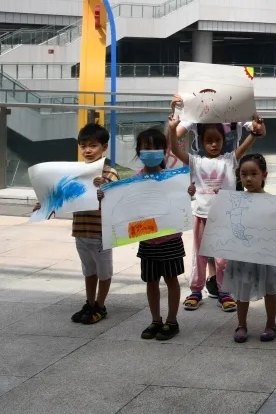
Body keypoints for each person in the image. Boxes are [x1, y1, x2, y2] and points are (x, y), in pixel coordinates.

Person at [168, 113, 263, 312]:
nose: (213, 144)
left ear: (223, 140)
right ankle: (196, 291)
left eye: (217, 140)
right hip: (201, 216)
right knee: (200, 256)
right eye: (209, 141)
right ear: (201, 142)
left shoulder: (230, 160)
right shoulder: (195, 161)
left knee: (223, 259)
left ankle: (224, 292)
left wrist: (254, 132)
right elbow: (175, 149)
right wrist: (172, 128)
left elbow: (246, 145)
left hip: (224, 217)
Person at [35, 124, 120, 325]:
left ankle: (100, 306)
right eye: (83, 146)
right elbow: (63, 196)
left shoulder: (110, 173)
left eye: (93, 145)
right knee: (88, 270)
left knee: (104, 271)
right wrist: (45, 204)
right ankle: (89, 303)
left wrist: (105, 188)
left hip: (101, 233)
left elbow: (117, 197)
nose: (87, 150)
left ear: (104, 147)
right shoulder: (75, 173)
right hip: (81, 230)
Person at [114, 128, 186, 340]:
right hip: (147, 240)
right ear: (138, 150)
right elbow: (123, 206)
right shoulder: (133, 181)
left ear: (164, 151)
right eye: (147, 147)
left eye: (156, 147)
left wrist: (187, 192)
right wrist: (105, 196)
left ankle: (172, 321)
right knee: (151, 281)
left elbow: (180, 203)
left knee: (172, 279)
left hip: (171, 240)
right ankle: (156, 320)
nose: (151, 151)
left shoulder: (173, 179)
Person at [223, 154, 276, 342]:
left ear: (264, 175)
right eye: (244, 174)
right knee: (242, 289)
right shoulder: (235, 200)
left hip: (264, 254)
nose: (248, 179)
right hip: (242, 254)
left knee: (270, 288)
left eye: (253, 174)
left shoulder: (273, 202)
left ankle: (271, 324)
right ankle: (241, 324)